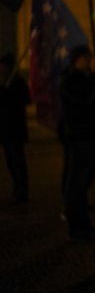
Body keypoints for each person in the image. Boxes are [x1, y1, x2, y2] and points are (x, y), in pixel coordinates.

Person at [60, 45, 95, 243]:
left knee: (84, 186)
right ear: (77, 60)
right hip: (81, 139)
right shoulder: (71, 81)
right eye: (86, 57)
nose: (90, 60)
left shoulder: (89, 80)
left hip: (94, 138)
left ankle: (84, 226)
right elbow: (86, 101)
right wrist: (94, 79)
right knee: (77, 185)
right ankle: (76, 229)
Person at [0, 52, 31, 205]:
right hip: (5, 132)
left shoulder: (17, 83)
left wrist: (7, 92)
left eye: (3, 66)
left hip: (15, 131)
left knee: (18, 163)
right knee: (11, 164)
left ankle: (21, 193)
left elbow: (25, 100)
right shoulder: (3, 83)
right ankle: (17, 191)